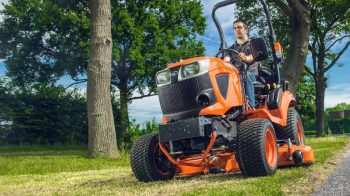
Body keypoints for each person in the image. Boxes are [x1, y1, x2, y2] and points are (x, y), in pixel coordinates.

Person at [225, 19, 258, 109]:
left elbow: (254, 56)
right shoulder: (230, 49)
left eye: (239, 27)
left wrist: (246, 58)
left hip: (250, 73)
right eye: (235, 28)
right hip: (235, 74)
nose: (237, 30)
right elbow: (226, 60)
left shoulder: (253, 44)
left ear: (246, 30)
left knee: (244, 75)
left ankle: (250, 107)